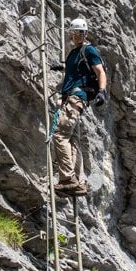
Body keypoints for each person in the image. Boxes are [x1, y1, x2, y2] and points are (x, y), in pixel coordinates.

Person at [53, 17, 107, 195]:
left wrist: (102, 91)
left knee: (60, 135)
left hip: (76, 97)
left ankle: (68, 179)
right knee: (72, 140)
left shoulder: (89, 50)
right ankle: (79, 182)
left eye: (80, 33)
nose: (77, 36)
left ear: (85, 34)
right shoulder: (73, 54)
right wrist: (61, 67)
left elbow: (100, 71)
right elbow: (75, 71)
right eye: (74, 33)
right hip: (71, 97)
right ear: (71, 34)